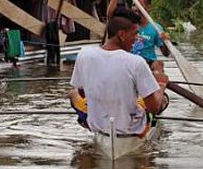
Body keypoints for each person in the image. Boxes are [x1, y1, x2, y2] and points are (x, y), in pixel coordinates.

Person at [69, 8, 168, 136]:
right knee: (163, 99)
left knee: (73, 93)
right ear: (121, 34)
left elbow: (82, 93)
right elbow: (153, 108)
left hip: (98, 124)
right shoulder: (137, 62)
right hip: (130, 129)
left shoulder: (84, 54)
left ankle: (89, 124)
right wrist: (161, 85)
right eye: (135, 34)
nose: (137, 38)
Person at [106, 0, 170, 74]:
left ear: (148, 8)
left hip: (147, 63)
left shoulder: (155, 28)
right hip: (128, 60)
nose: (135, 8)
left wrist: (165, 42)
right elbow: (110, 13)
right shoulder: (128, 23)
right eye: (133, 5)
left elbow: (166, 54)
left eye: (139, 5)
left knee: (159, 64)